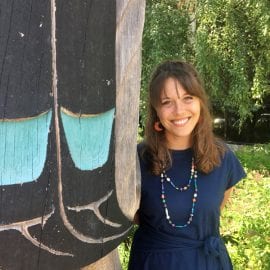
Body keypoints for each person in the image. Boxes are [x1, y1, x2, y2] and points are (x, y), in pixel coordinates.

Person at [128, 60, 246, 270]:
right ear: (156, 110)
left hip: (207, 262)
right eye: (167, 102)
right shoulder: (136, 159)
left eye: (187, 98)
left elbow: (212, 209)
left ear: (200, 101)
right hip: (153, 264)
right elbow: (132, 215)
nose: (179, 110)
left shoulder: (222, 157)